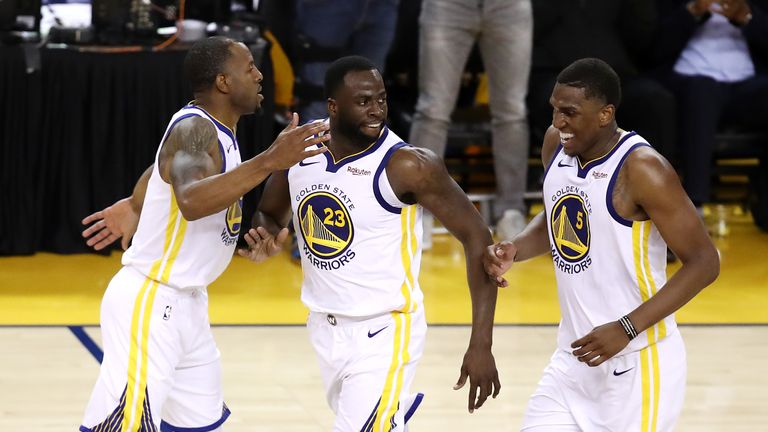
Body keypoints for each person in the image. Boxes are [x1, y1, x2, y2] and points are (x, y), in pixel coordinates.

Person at [79, 36, 329, 431]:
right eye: (249, 67)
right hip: (151, 301)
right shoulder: (195, 127)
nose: (260, 74)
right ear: (223, 82)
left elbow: (165, 169)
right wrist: (269, 160)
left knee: (201, 425)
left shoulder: (216, 134)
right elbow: (193, 201)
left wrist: (136, 203)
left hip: (189, 305)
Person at [248, 56, 501, 431]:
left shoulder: (408, 165)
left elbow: (477, 237)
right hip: (324, 327)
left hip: (385, 331)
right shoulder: (300, 150)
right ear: (333, 106)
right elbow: (269, 216)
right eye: (364, 101)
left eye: (381, 99)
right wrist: (266, 238)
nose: (377, 110)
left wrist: (482, 342)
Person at [483, 58, 720, 431]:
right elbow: (559, 216)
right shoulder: (556, 145)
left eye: (570, 113)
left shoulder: (643, 169)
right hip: (572, 360)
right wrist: (517, 247)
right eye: (555, 110)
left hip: (638, 363)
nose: (558, 122)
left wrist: (627, 327)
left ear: (605, 113)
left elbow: (705, 262)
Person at [407, 0, 533, 242]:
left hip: (509, 6)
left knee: (512, 111)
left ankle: (511, 209)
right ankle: (419, 210)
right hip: (447, 6)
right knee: (433, 109)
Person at [653, 0, 768, 210]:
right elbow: (651, 48)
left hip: (748, 84)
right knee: (703, 89)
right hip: (690, 81)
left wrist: (748, 17)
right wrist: (692, 13)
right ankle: (694, 204)